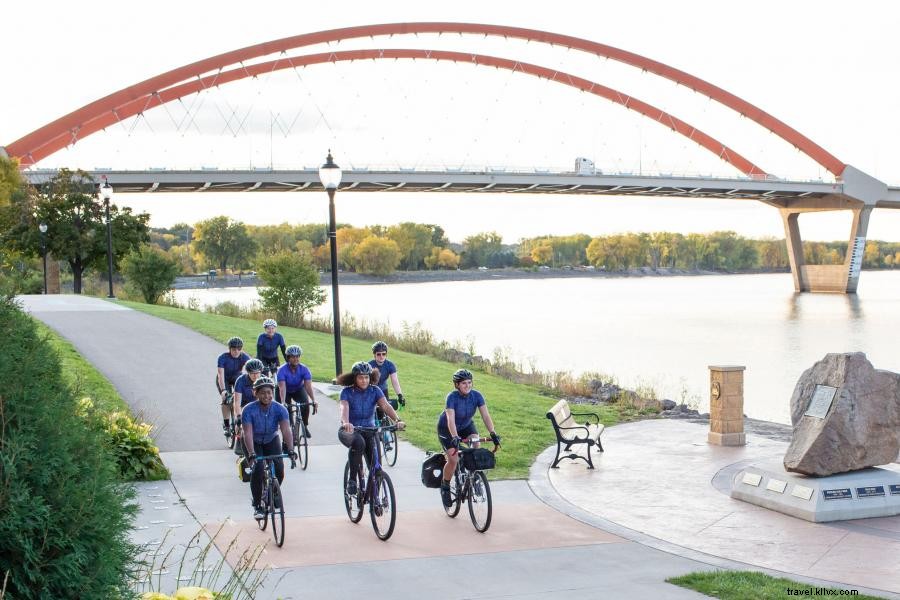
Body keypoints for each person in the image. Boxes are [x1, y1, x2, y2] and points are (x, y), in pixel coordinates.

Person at [337, 361, 405, 495]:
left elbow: (385, 406)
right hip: (351, 430)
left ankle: (373, 499)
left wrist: (397, 420)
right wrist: (346, 422)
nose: (364, 380)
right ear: (354, 378)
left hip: (370, 430)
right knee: (359, 443)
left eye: (367, 377)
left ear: (371, 377)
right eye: (361, 377)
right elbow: (344, 408)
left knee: (376, 469)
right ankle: (352, 481)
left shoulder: (375, 390)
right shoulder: (346, 392)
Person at [436, 369, 501, 507]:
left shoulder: (477, 396)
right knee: (453, 459)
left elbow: (485, 416)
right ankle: (445, 487)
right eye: (464, 383)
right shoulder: (451, 397)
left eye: (470, 382)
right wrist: (454, 437)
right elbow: (450, 420)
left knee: (476, 447)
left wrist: (493, 433)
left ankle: (474, 478)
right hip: (446, 428)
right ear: (457, 385)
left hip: (466, 426)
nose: (468, 386)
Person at [241, 376, 296, 520]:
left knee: (279, 468)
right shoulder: (248, 410)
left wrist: (291, 449)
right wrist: (252, 454)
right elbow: (247, 433)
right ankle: (257, 505)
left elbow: (286, 430)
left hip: (271, 438)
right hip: (252, 441)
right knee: (258, 469)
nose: (267, 396)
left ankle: (272, 492)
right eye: (263, 393)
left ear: (273, 393)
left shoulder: (280, 409)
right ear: (256, 394)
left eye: (269, 392)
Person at [276, 345, 317, 437]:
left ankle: (305, 426)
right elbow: (282, 387)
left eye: (297, 356)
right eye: (293, 357)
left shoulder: (304, 369)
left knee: (305, 404)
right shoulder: (282, 370)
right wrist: (283, 402)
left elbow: (308, 386)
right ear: (288, 358)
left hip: (298, 389)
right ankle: (288, 429)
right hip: (284, 390)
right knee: (285, 410)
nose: (296, 359)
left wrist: (314, 400)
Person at [216, 337, 251, 435]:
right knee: (226, 400)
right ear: (229, 349)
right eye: (234, 349)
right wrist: (223, 390)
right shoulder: (222, 357)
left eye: (239, 349)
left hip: (236, 378)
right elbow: (220, 375)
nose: (236, 351)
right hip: (224, 379)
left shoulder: (244, 357)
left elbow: (251, 370)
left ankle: (240, 419)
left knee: (240, 398)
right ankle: (226, 425)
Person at [368, 341, 405, 410]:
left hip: (383, 390)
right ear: (374, 355)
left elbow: (395, 381)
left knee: (386, 411)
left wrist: (400, 395)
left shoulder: (390, 365)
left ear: (386, 354)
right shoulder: (369, 365)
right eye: (378, 354)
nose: (381, 356)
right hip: (371, 390)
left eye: (383, 354)